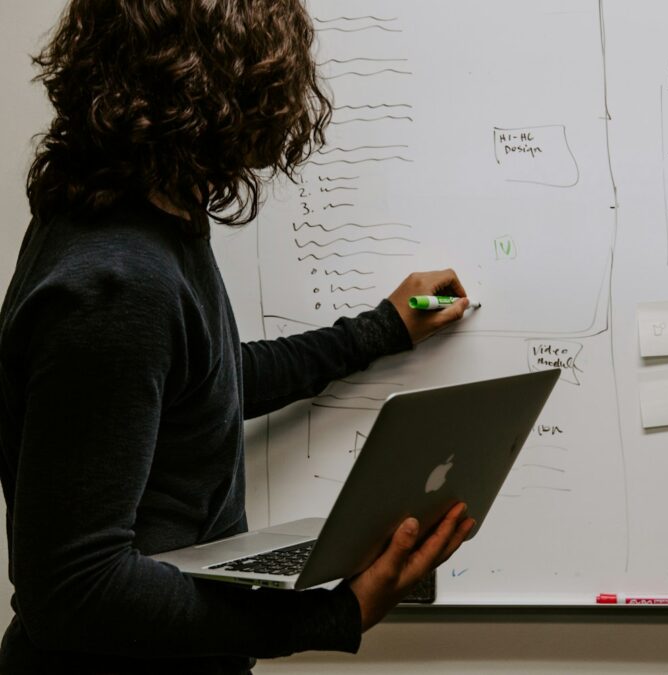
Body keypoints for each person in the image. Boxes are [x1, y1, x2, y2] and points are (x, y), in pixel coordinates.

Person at [0, 1, 476, 672]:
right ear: (220, 90)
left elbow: (200, 386)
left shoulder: (149, 217)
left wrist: (383, 328)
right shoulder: (115, 280)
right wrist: (334, 614)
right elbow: (74, 589)